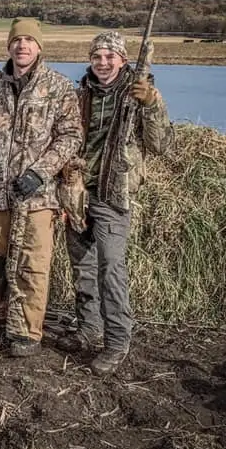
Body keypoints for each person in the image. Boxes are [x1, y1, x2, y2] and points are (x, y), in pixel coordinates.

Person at [0, 17, 82, 357]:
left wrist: (40, 172)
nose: (22, 45)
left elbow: (72, 136)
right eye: (17, 40)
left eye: (29, 40)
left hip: (37, 197)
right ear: (9, 45)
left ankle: (26, 332)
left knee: (31, 265)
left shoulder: (57, 87)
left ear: (39, 46)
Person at [57, 31, 172, 376]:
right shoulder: (78, 95)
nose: (103, 63)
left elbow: (161, 144)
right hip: (77, 194)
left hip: (114, 195)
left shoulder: (136, 94)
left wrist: (151, 103)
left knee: (111, 269)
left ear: (123, 59)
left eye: (110, 57)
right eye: (97, 57)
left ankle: (117, 341)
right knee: (83, 269)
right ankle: (89, 329)